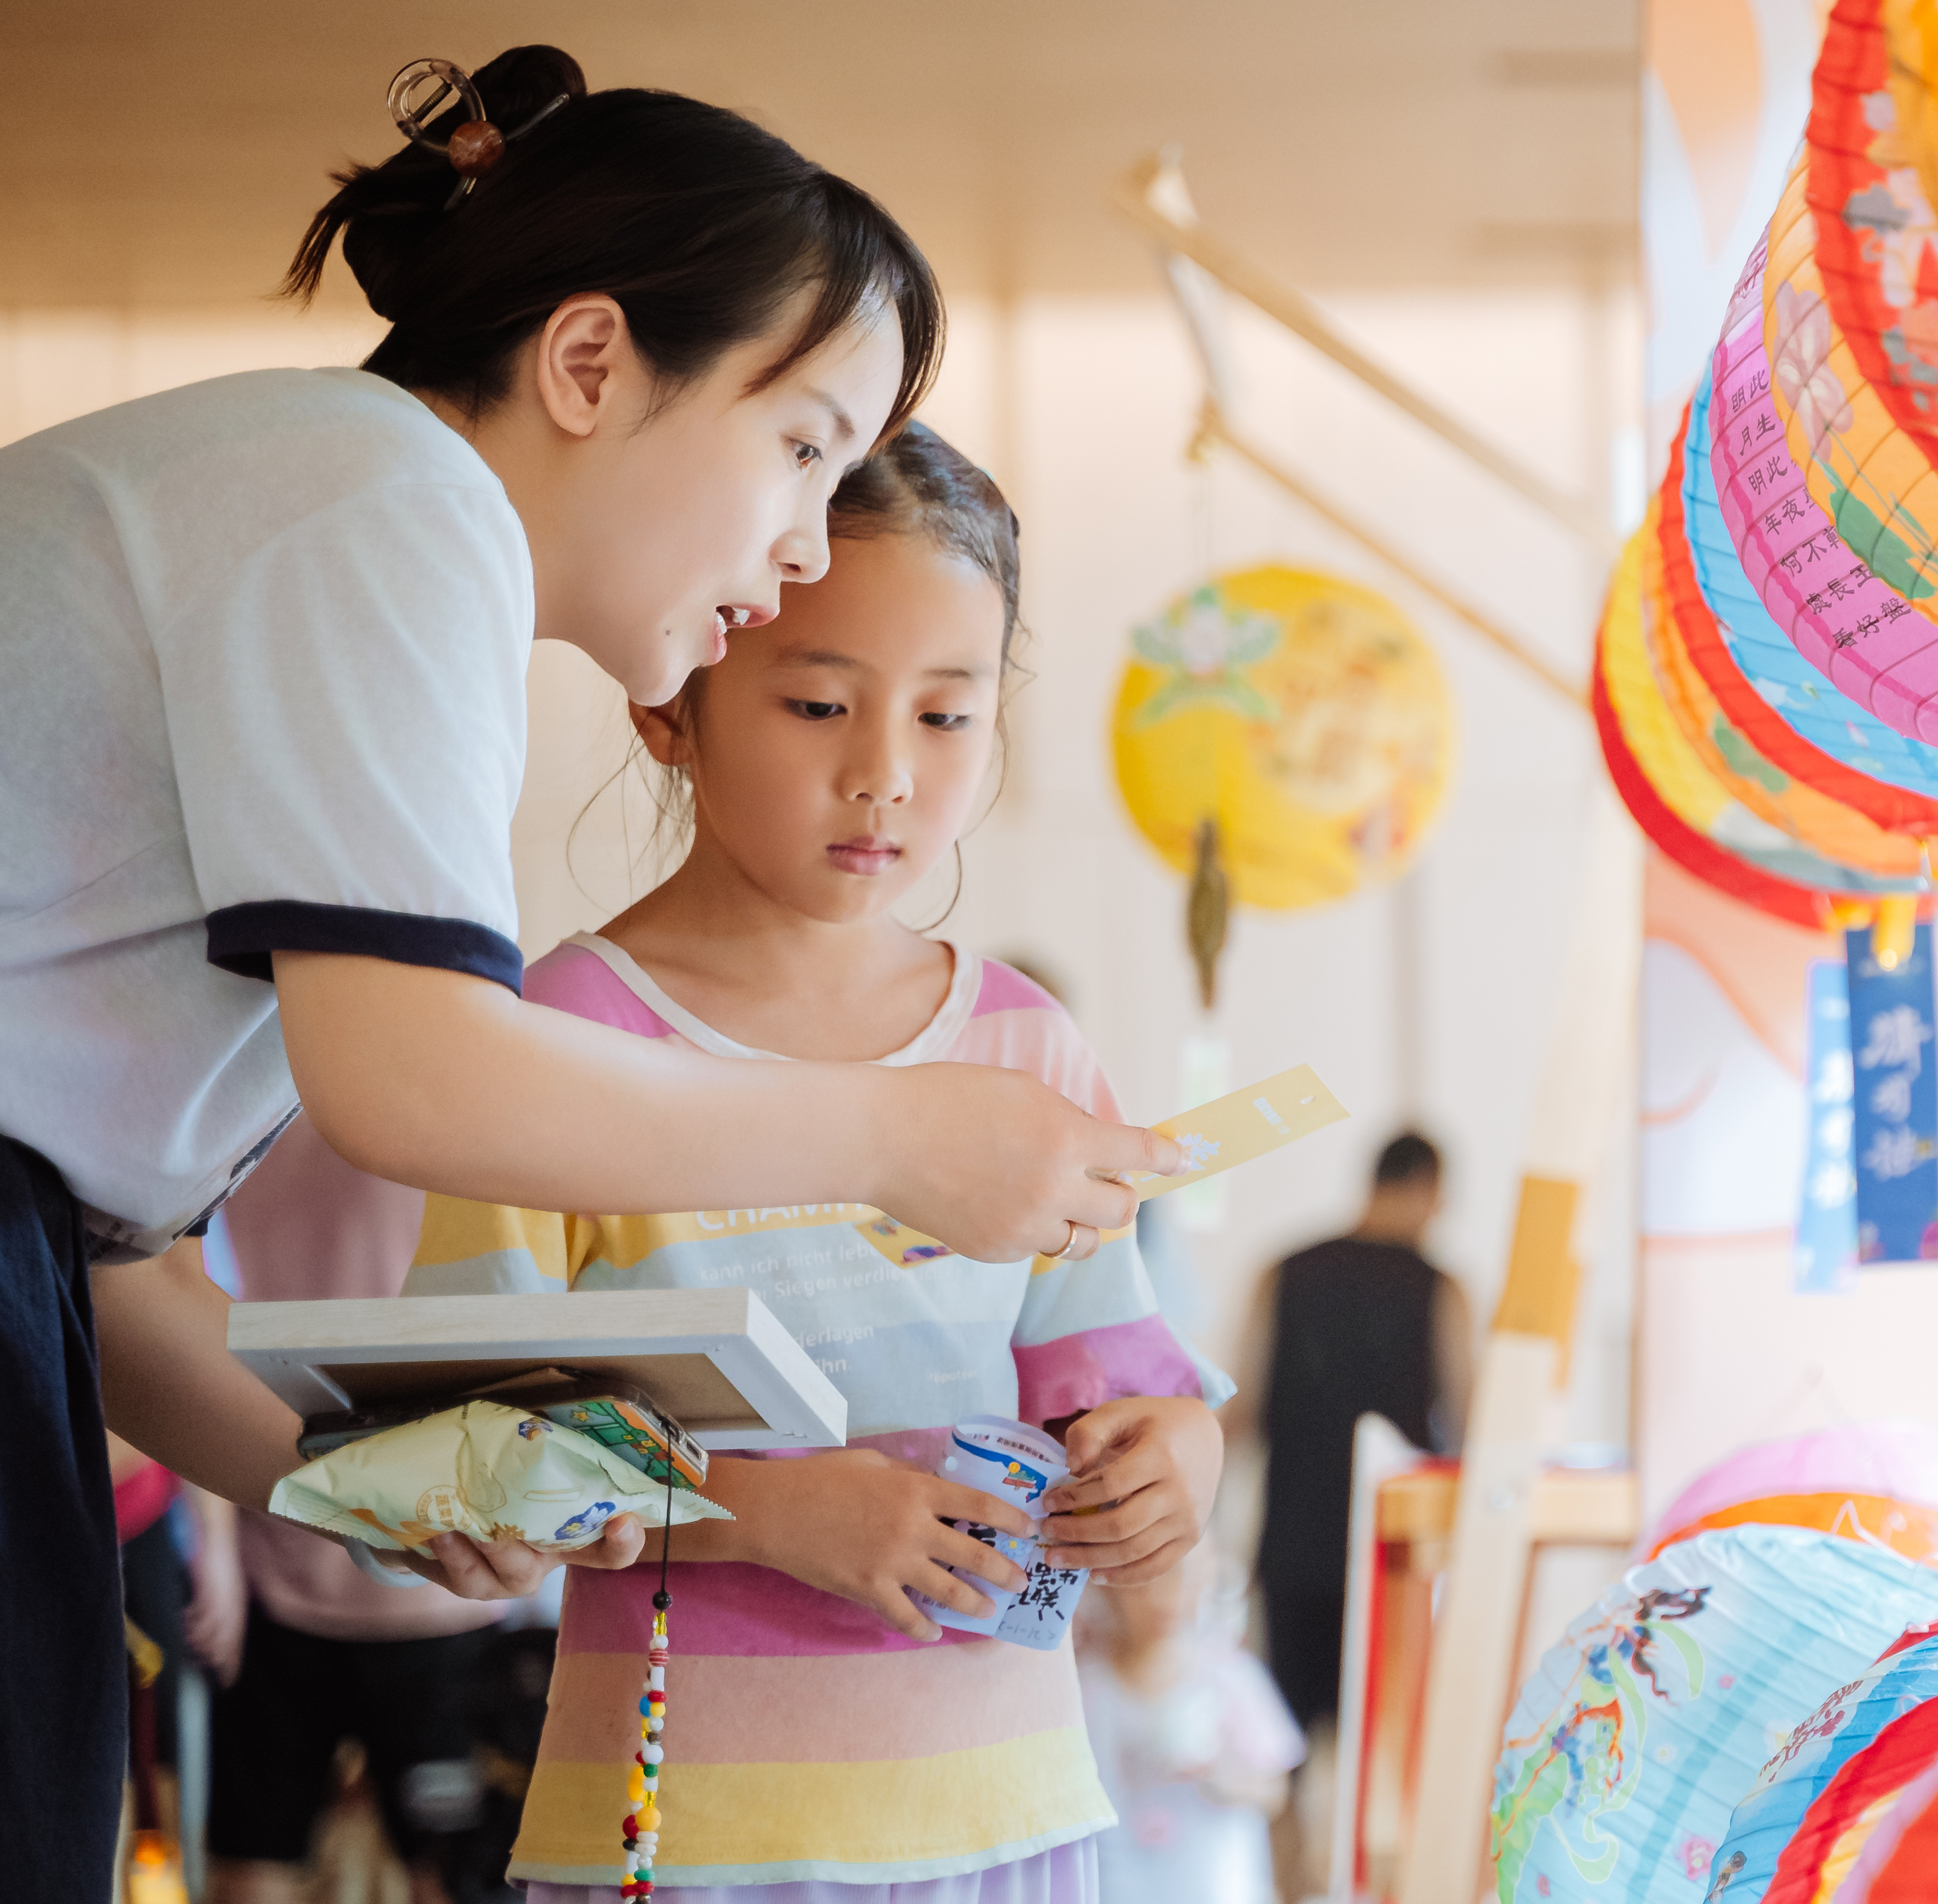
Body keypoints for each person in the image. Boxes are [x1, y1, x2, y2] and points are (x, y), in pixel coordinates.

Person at [0, 47, 1177, 1890]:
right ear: (587, 365)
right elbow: (417, 1080)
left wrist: (384, 1488)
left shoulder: (332, 504)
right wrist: (891, 1134)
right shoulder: (389, 502)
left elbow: (108, 1259)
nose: (801, 544)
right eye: (802, 446)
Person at [401, 423, 1228, 1897]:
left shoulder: (1025, 1044)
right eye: (818, 703)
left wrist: (1175, 1461)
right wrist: (766, 1512)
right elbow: (461, 1450)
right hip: (677, 1838)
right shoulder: (554, 1040)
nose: (884, 774)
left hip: (1007, 1819)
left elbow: (1116, 1385)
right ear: (671, 697)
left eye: (947, 715)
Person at [202, 1123, 512, 1904]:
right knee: (436, 1874)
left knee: (270, 1860)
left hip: (398, 1566)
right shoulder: (439, 1113)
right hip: (370, 1561)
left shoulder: (237, 1118)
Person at [1241, 1134, 1475, 1729]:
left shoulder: (1283, 1270)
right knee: (1379, 1736)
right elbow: (1469, 1422)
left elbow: (1240, 1410)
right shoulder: (1440, 1288)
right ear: (1427, 1189)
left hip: (1291, 1541)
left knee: (1285, 1733)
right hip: (1390, 1548)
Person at [1075, 1554, 1303, 1904]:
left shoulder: (1231, 1677)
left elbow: (1276, 1789)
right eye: (1141, 1586)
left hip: (1217, 1888)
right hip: (1118, 1887)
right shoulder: (1087, 1687)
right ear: (1108, 1589)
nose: (1159, 1598)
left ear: (1201, 1581)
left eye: (1173, 1579)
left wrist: (1224, 1778)